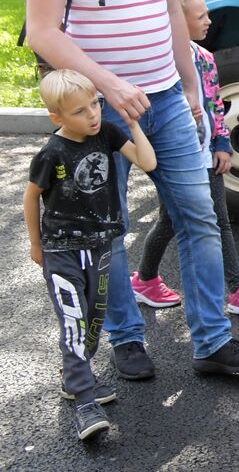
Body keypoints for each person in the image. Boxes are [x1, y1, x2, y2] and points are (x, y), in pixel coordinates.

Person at [24, 0, 239, 379]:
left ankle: (211, 342)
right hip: (96, 111)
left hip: (164, 98)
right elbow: (41, 31)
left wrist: (190, 90)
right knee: (106, 228)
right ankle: (127, 338)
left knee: (199, 217)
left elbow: (168, 10)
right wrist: (107, 84)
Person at [25, 70, 156, 440]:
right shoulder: (52, 152)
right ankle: (85, 402)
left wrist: (133, 124)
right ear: (58, 117)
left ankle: (73, 376)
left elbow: (147, 163)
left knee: (95, 320)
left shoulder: (108, 134)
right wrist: (36, 245)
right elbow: (31, 196)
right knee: (73, 324)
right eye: (80, 111)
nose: (93, 115)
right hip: (61, 251)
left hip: (100, 247)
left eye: (95, 104)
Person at [131, 0, 239, 317]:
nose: (209, 20)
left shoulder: (205, 59)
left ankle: (236, 290)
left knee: (216, 219)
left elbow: (215, 105)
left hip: (205, 152)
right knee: (171, 220)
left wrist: (222, 143)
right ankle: (147, 279)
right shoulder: (159, 62)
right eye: (201, 15)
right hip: (175, 153)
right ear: (175, 19)